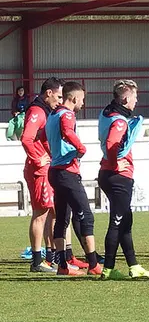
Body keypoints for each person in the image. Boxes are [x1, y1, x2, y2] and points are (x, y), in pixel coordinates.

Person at [46, 82, 103, 276]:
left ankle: (62, 266)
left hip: (54, 170)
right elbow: (68, 131)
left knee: (62, 218)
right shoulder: (67, 114)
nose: (83, 103)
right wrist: (81, 148)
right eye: (82, 99)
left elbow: (42, 136)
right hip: (66, 172)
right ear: (75, 98)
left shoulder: (52, 115)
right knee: (86, 215)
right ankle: (94, 264)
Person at [97, 80, 149, 280]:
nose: (136, 101)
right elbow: (113, 143)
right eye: (135, 97)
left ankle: (134, 265)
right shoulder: (119, 121)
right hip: (118, 176)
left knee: (125, 221)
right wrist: (115, 163)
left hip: (107, 174)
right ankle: (108, 269)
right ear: (126, 98)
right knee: (117, 222)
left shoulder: (106, 113)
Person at [21, 78, 64, 273]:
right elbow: (27, 138)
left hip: (47, 168)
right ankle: (37, 261)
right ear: (49, 93)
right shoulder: (37, 112)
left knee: (52, 212)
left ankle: (50, 257)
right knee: (41, 212)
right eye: (59, 96)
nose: (60, 101)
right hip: (38, 170)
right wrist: (39, 159)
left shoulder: (45, 111)